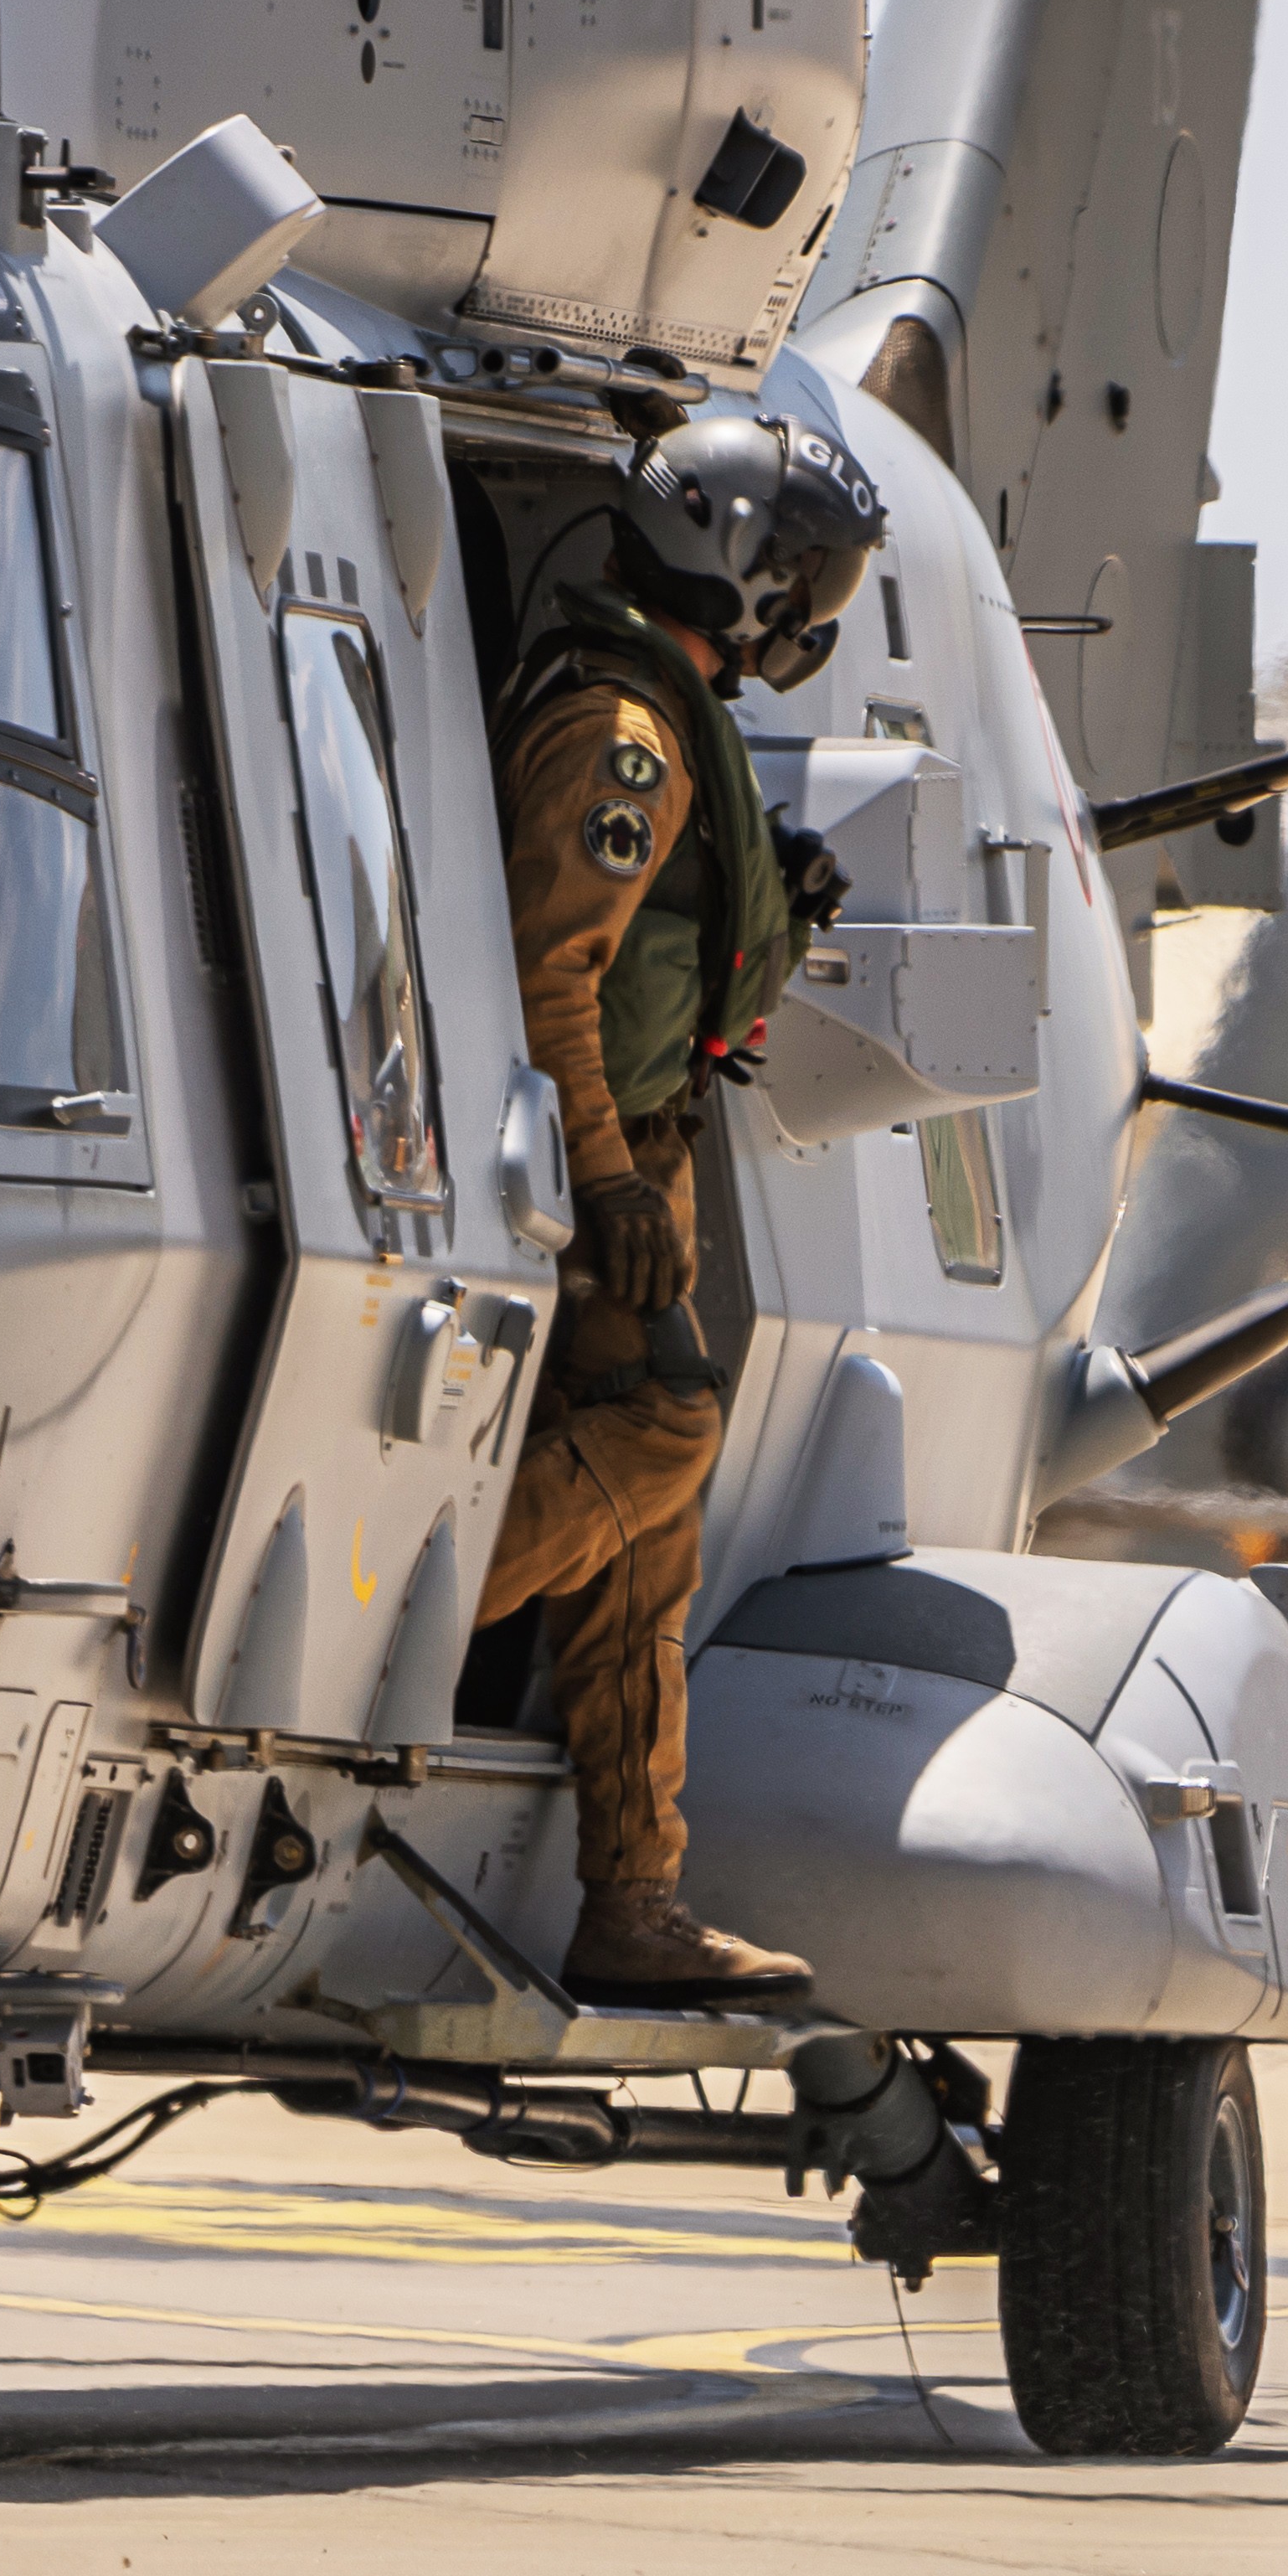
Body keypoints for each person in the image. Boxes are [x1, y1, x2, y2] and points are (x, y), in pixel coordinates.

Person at [484, 402, 884, 2006]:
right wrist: (598, 1181)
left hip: (653, 1153)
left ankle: (633, 1900)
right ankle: (402, 1606)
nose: (803, 613)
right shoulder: (623, 736)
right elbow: (551, 974)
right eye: (795, 576)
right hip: (612, 1162)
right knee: (662, 1429)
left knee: (651, 1541)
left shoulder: (662, 716)